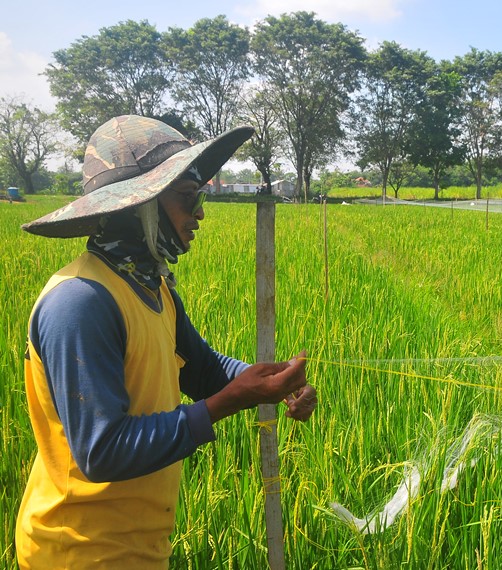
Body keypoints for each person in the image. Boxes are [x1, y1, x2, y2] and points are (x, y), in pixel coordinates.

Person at [16, 115, 318, 568]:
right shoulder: (82, 302)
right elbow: (102, 451)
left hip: (137, 547)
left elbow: (201, 369)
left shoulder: (152, 287)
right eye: (186, 198)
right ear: (139, 206)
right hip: (79, 551)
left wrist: (275, 382)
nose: (199, 213)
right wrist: (230, 402)